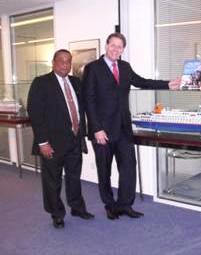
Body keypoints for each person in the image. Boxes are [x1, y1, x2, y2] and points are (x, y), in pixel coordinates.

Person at [82, 32, 180, 220]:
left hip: (124, 128)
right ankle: (110, 205)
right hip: (102, 130)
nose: (116, 49)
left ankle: (125, 204)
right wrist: (96, 129)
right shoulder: (93, 68)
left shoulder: (125, 67)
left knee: (128, 166)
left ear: (123, 50)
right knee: (104, 169)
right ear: (106, 46)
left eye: (120, 47)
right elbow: (88, 100)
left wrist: (167, 84)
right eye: (113, 45)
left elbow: (142, 82)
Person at [27, 49, 94, 229]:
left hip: (74, 140)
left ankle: (77, 208)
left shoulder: (75, 82)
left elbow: (83, 107)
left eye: (68, 61)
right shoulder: (41, 83)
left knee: (74, 177)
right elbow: (35, 114)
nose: (65, 65)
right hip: (52, 143)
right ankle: (56, 213)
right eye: (62, 61)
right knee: (52, 180)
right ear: (53, 62)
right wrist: (42, 142)